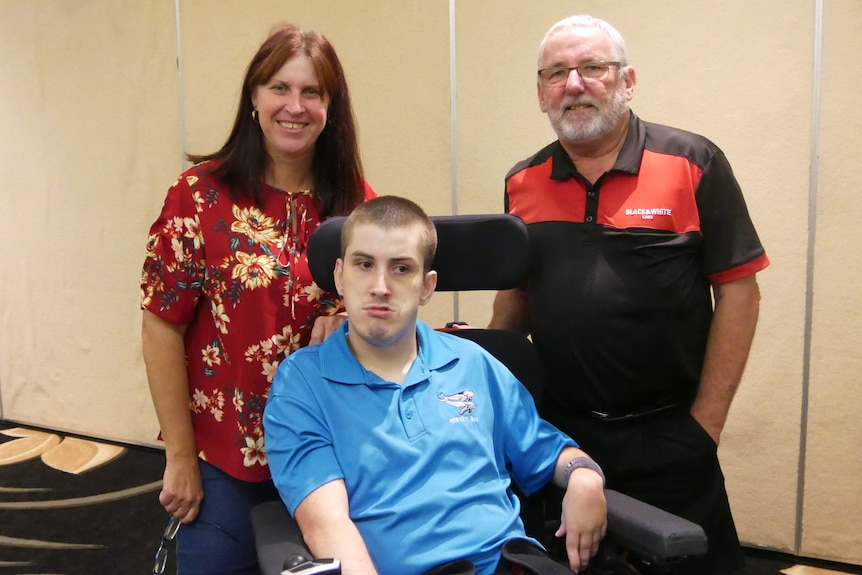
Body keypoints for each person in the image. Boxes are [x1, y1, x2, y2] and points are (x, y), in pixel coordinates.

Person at [488, 15, 769, 574]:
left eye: (593, 68)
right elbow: (514, 302)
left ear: (627, 80)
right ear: (541, 91)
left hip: (671, 434)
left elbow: (740, 294)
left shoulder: (693, 163)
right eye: (558, 73)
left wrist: (704, 427)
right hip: (563, 440)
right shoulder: (523, 181)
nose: (574, 84)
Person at [263, 196, 607, 575]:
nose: (380, 286)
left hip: (513, 564)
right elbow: (327, 526)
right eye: (365, 265)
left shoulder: (473, 362)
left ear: (427, 287)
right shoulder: (302, 384)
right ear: (340, 276)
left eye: (401, 268)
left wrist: (585, 476)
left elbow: (547, 451)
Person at [140, 23, 374, 575]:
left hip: (333, 451)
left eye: (312, 92)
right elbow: (161, 325)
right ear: (253, 96)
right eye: (280, 88)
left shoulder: (356, 204)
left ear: (330, 107)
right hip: (228, 458)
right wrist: (178, 457)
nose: (295, 106)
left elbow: (386, 309)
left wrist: (348, 318)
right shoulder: (198, 196)